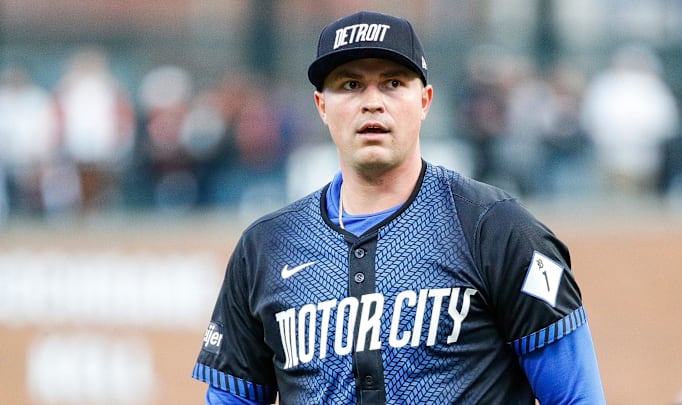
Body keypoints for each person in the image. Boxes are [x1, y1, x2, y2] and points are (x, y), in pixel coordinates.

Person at [192, 10, 606, 404]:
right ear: (321, 106)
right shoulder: (266, 246)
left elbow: (576, 396)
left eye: (392, 83)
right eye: (350, 85)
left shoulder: (494, 229)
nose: (372, 102)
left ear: (424, 100)